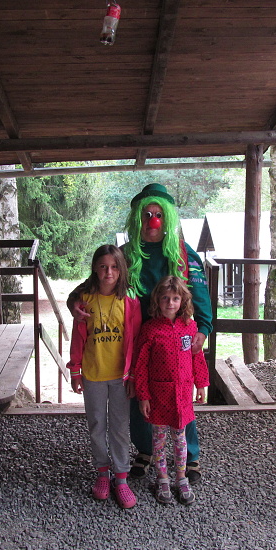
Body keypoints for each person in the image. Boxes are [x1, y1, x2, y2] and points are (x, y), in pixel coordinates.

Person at [68, 183, 213, 483]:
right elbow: (93, 283)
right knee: (139, 394)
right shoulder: (124, 255)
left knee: (180, 394)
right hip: (137, 341)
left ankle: (190, 456)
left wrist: (203, 328)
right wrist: (73, 302)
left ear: (167, 217)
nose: (152, 221)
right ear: (138, 219)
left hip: (175, 339)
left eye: (158, 215)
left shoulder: (184, 255)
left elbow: (199, 294)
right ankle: (146, 450)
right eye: (146, 215)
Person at [66, 245, 142, 509]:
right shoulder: (84, 300)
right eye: (103, 267)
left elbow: (136, 340)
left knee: (119, 427)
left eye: (114, 267)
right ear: (95, 269)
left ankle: (121, 478)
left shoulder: (130, 301)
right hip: (93, 374)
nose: (109, 272)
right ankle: (102, 473)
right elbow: (78, 337)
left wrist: (134, 376)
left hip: (121, 378)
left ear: (121, 270)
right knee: (97, 424)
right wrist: (75, 370)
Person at [134, 276, 209, 505]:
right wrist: (143, 396)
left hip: (183, 395)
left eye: (175, 298)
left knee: (180, 438)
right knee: (158, 439)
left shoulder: (190, 327)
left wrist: (201, 384)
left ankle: (181, 477)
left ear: (182, 301)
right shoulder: (150, 330)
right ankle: (163, 478)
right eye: (165, 298)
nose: (170, 303)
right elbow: (141, 366)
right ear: (157, 300)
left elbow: (197, 357)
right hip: (158, 395)